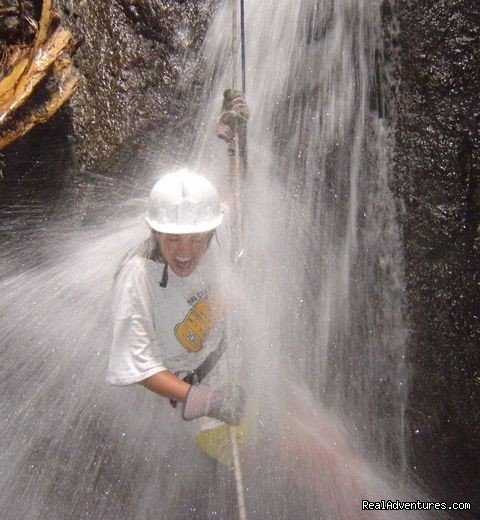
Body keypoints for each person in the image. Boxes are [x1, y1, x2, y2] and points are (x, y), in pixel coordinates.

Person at [106, 168, 245, 426]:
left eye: (195, 240)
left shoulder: (212, 227)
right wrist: (207, 401)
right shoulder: (137, 277)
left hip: (235, 364)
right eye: (173, 240)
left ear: (210, 231)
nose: (185, 251)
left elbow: (233, 200)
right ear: (156, 232)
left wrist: (235, 147)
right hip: (195, 397)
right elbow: (140, 365)